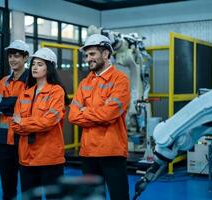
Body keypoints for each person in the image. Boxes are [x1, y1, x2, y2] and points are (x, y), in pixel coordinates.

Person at [68, 34, 131, 200]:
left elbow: (109, 114)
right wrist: (96, 112)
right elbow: (73, 116)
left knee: (119, 197)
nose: (88, 59)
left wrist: (85, 111)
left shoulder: (120, 80)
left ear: (105, 54)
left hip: (112, 151)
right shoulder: (84, 83)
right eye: (87, 55)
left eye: (92, 54)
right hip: (88, 152)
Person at [10, 47, 70, 194]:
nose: (35, 67)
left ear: (49, 68)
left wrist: (23, 122)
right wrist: (31, 123)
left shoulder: (56, 91)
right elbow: (14, 124)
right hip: (26, 158)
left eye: (40, 64)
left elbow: (49, 121)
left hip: (49, 158)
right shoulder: (25, 93)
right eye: (34, 64)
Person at [0, 40, 29, 200]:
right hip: (5, 139)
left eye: (17, 56)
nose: (12, 59)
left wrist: (8, 103)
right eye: (10, 56)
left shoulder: (31, 81)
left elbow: (29, 107)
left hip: (25, 137)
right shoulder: (4, 81)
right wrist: (14, 103)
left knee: (28, 183)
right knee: (7, 184)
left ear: (25, 58)